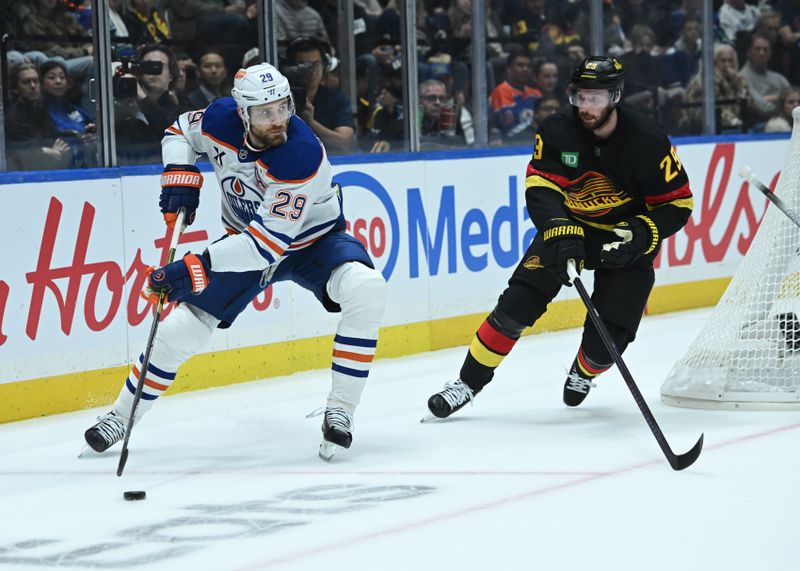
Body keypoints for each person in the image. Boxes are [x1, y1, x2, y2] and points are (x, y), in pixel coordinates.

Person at [83, 63, 387, 461]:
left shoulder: (301, 153)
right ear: (243, 113)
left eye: (283, 108)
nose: (278, 120)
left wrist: (193, 267)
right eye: (265, 113)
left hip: (314, 242)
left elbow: (266, 246)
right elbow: (178, 131)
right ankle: (121, 416)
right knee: (180, 328)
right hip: (245, 240)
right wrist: (179, 173)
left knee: (366, 289)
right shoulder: (218, 119)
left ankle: (340, 412)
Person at [424, 56, 693, 419]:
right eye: (581, 96)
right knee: (516, 306)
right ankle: (467, 383)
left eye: (595, 98)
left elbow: (678, 204)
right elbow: (540, 186)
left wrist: (645, 232)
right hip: (569, 231)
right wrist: (558, 226)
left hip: (624, 240)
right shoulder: (556, 130)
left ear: (614, 97)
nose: (586, 106)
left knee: (607, 345)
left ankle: (584, 370)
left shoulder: (647, 139)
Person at [284, 36, 356, 154]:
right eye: (305, 66)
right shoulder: (281, 99)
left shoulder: (337, 98)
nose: (313, 71)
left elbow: (346, 143)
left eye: (317, 64)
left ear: (324, 65)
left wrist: (311, 123)